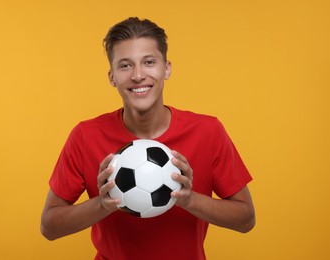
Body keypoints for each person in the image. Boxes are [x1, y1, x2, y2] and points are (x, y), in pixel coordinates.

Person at [41, 17, 255, 260]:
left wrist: (189, 199)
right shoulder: (85, 136)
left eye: (149, 62)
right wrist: (102, 204)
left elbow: (246, 219)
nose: (138, 75)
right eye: (125, 65)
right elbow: (49, 226)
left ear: (167, 68)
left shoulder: (208, 131)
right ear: (112, 77)